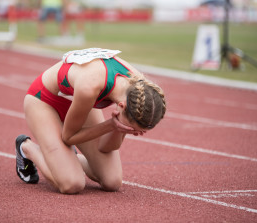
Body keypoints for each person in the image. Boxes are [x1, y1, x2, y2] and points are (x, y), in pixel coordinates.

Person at [15, 48, 166, 194]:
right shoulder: (90, 87)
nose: (132, 132)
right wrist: (110, 125)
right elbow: (68, 137)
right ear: (121, 106)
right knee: (72, 184)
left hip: (79, 102)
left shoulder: (142, 93)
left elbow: (106, 147)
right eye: (131, 128)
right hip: (44, 100)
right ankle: (27, 148)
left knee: (112, 181)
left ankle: (63, 158)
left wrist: (119, 128)